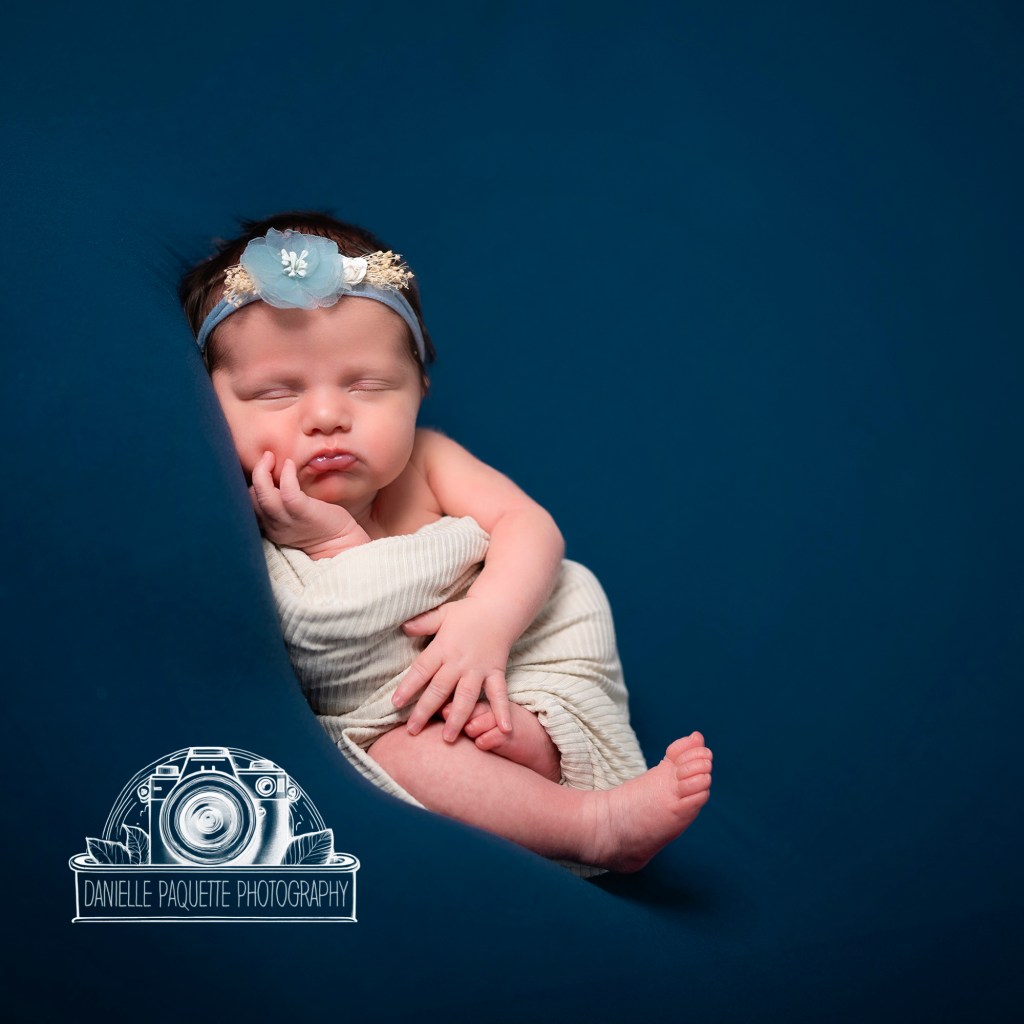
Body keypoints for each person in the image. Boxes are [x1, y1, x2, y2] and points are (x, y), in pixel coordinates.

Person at [179, 211, 712, 873]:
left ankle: (538, 736)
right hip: (399, 714)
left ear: (418, 390)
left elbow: (530, 526)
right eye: (276, 393)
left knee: (569, 592)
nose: (326, 416)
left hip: (515, 655)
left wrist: (489, 620)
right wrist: (332, 542)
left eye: (368, 386)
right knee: (405, 753)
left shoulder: (429, 460)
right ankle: (592, 823)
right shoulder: (244, 520)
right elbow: (335, 657)